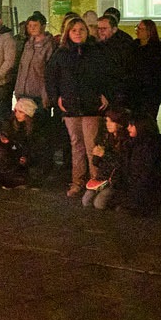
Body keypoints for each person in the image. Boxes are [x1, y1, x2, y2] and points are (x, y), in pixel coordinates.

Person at [46, 17, 105, 198]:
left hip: (90, 105)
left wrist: (104, 94)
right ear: (68, 33)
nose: (78, 33)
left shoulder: (95, 52)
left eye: (81, 29)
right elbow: (51, 78)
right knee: (76, 145)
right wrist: (56, 99)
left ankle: (96, 180)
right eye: (74, 30)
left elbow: (105, 75)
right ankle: (77, 181)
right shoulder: (61, 54)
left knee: (91, 145)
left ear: (87, 32)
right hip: (71, 106)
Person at [127, 19, 161, 122]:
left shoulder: (157, 48)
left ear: (149, 31)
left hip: (152, 89)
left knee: (149, 117)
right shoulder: (134, 45)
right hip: (136, 89)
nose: (137, 31)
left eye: (140, 29)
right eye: (137, 28)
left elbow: (156, 69)